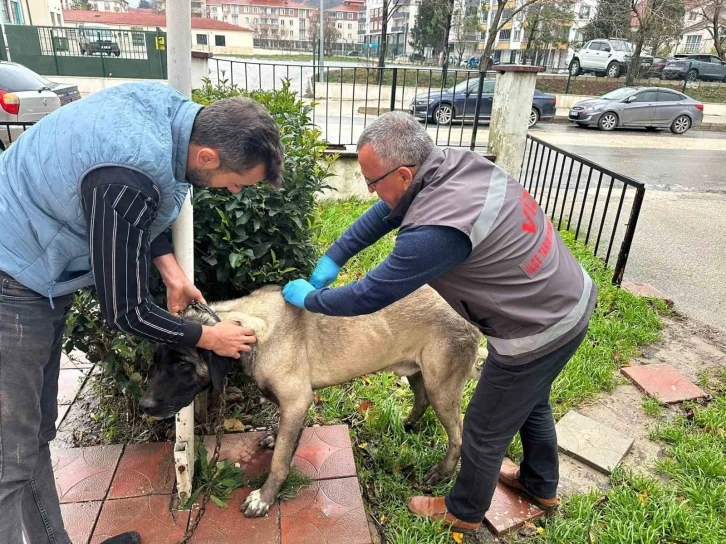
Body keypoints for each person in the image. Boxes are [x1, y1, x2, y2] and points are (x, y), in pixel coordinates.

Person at [281, 111, 597, 533]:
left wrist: (313, 298)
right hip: (568, 293)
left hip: (538, 329)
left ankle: (463, 512)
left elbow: (370, 295)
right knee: (530, 401)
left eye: (372, 182)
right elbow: (385, 213)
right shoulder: (453, 164)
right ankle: (540, 485)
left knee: (485, 425)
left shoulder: (436, 231)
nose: (371, 191)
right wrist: (336, 255)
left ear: (405, 173)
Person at [0, 82, 284, 544]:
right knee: (9, 456)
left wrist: (171, 270)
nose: (234, 191)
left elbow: (129, 212)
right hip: (11, 274)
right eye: (237, 181)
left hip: (32, 270)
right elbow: (125, 311)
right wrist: (207, 338)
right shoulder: (128, 174)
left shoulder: (172, 120)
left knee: (33, 436)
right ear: (208, 157)